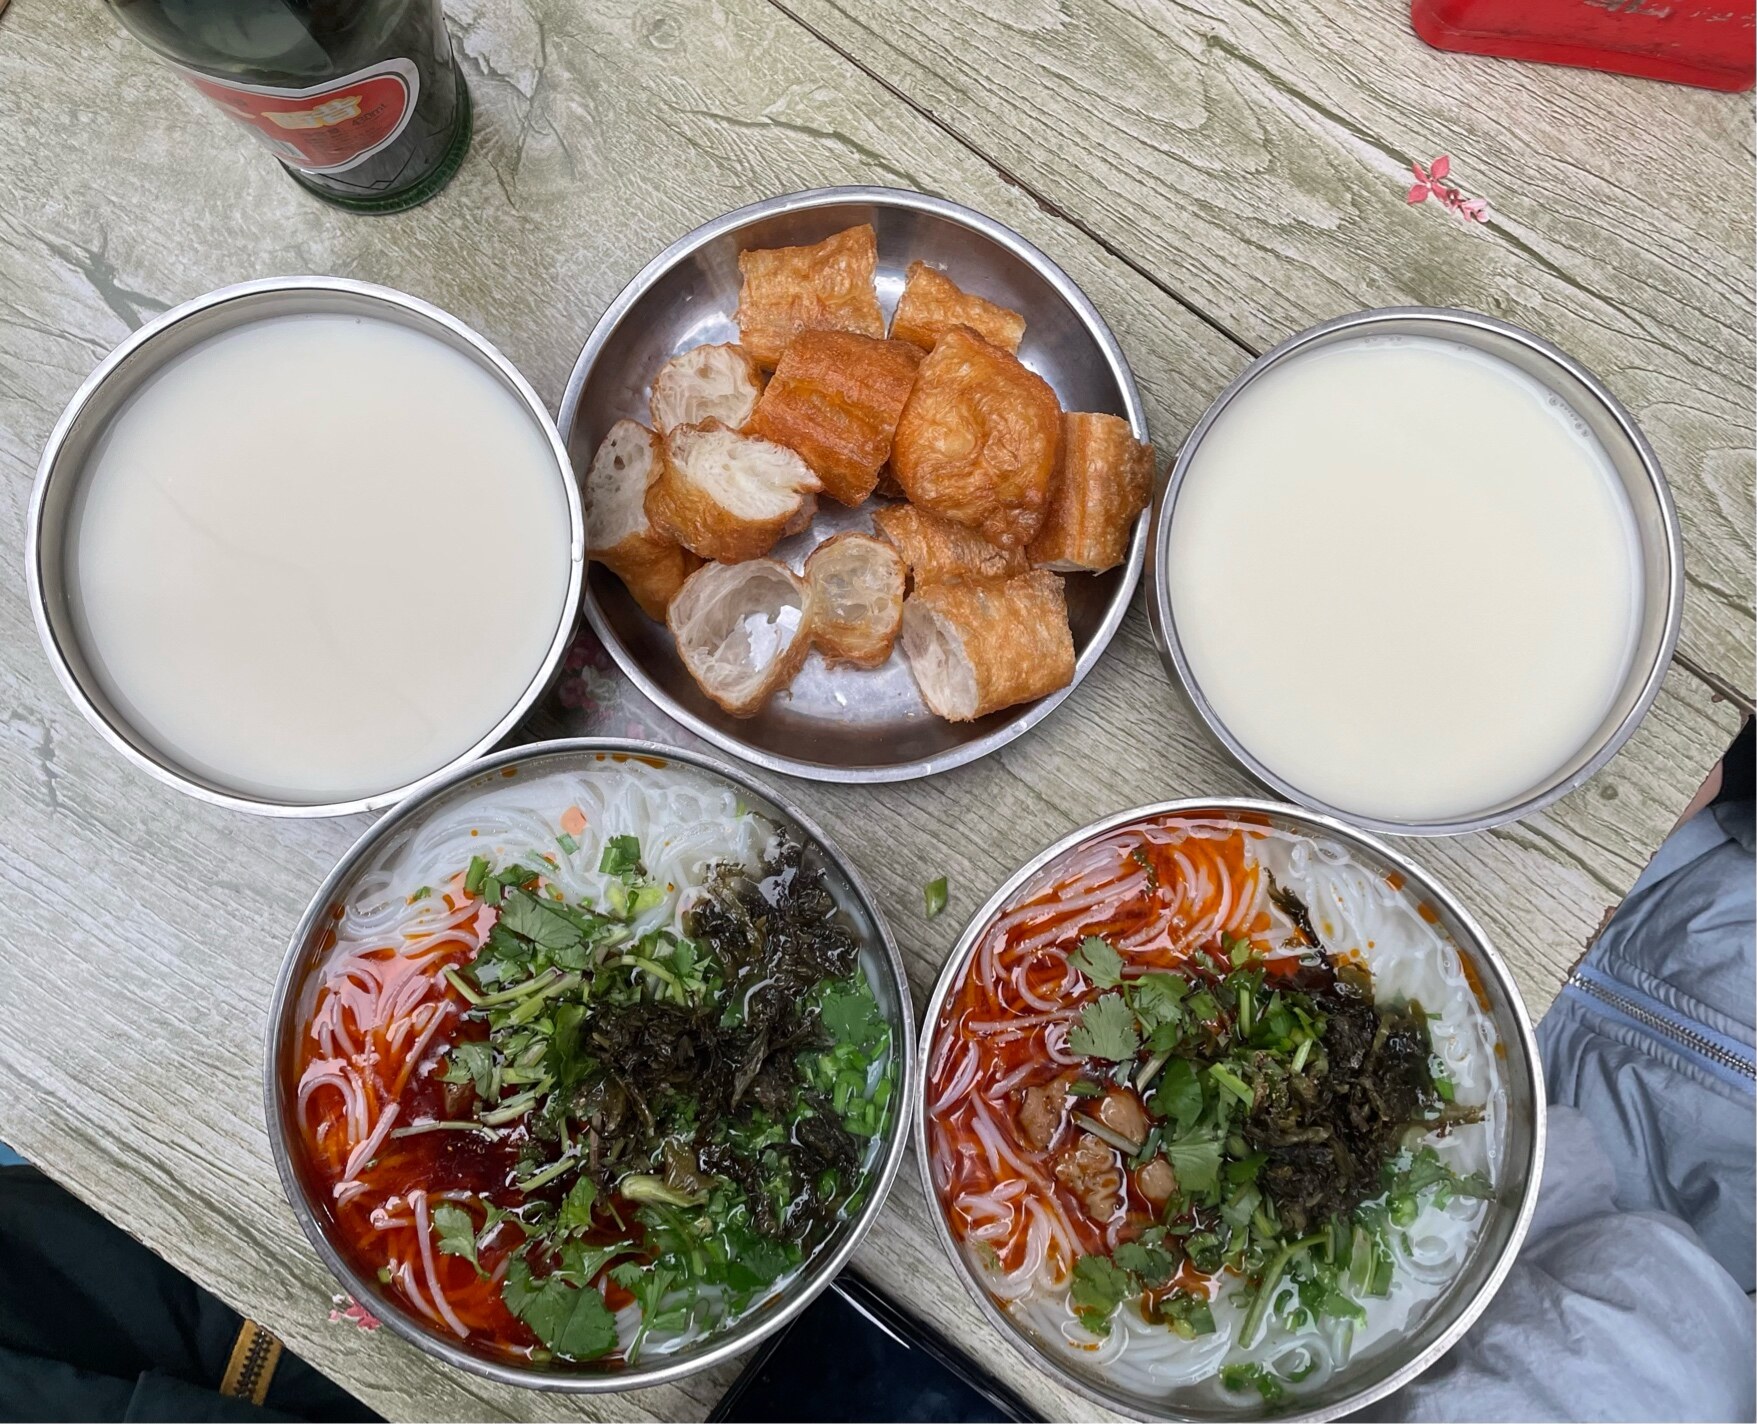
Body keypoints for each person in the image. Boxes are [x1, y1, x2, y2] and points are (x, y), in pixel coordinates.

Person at [1363, 723, 1756, 1422]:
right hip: (1577, 829)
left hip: (1439, 1081)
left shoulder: (1706, 1380)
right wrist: (1683, 784)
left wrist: (1465, 1074)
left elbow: (1525, 1264)